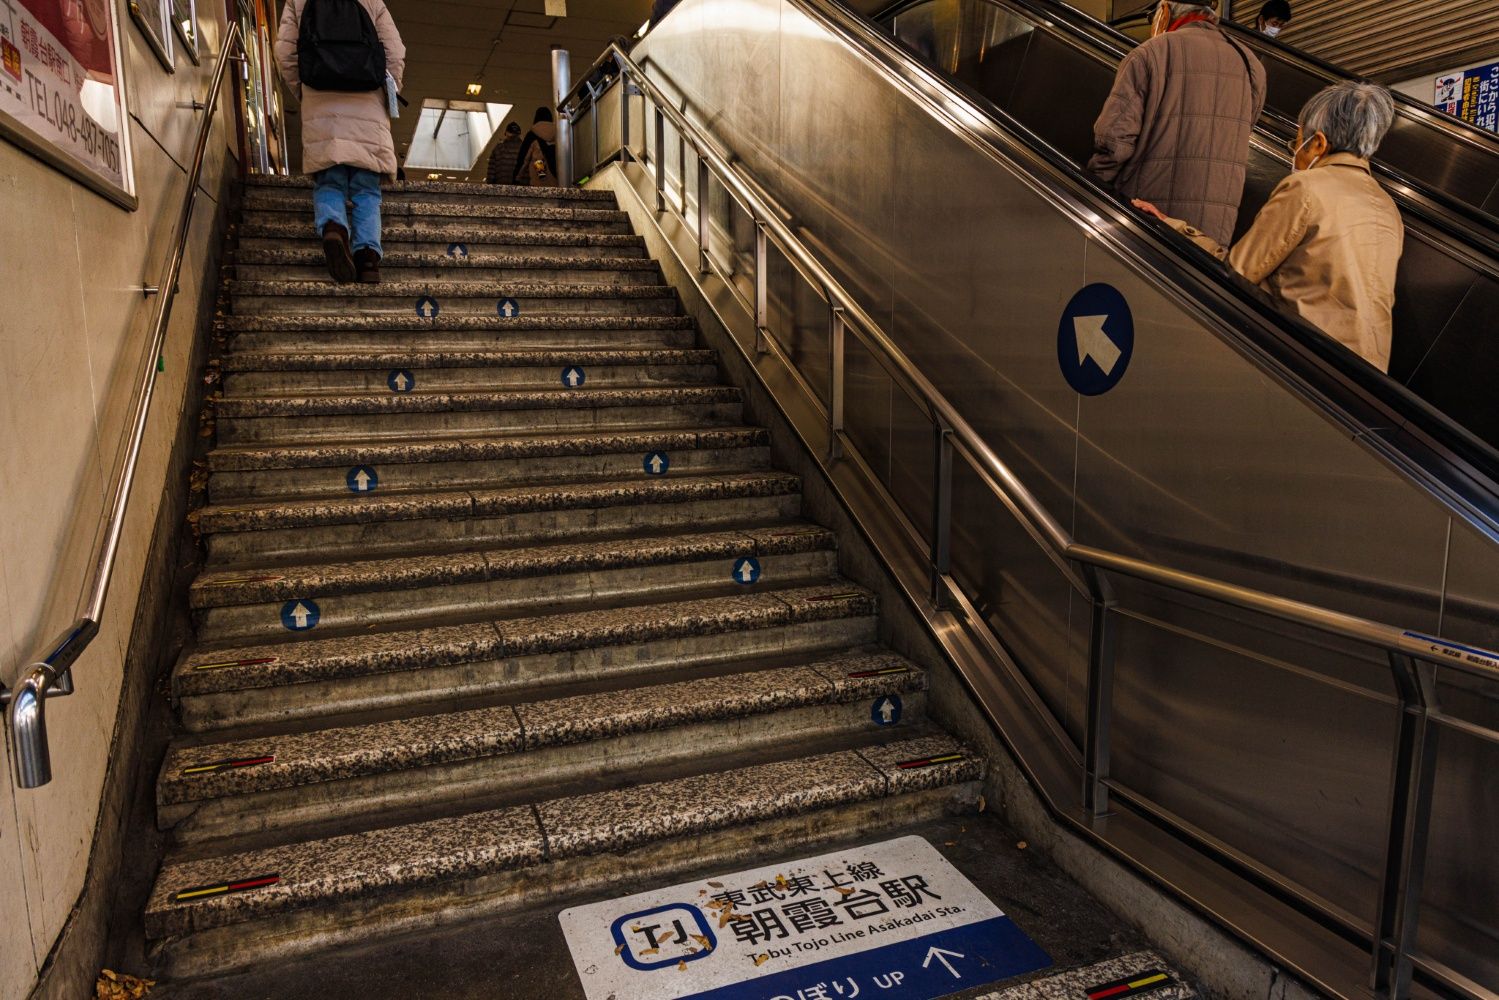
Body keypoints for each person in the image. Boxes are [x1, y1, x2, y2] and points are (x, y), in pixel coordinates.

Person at [1134, 82, 1403, 372]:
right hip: (1367, 374)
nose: (1294, 153)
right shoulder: (1387, 207)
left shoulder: (1306, 188)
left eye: (1296, 142)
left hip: (1301, 359)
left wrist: (1171, 225)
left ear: (1319, 144)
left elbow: (1239, 272)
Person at [1089, 0, 1266, 247]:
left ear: (1164, 12)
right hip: (1211, 236)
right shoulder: (1251, 66)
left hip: (1146, 220)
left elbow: (1115, 140)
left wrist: (1092, 190)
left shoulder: (1149, 54)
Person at [275, 0, 406, 284]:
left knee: (330, 181)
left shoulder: (297, 2)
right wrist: (387, 88)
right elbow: (394, 52)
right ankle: (368, 258)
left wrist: (306, 89)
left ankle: (334, 227)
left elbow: (284, 52)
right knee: (367, 191)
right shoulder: (372, 2)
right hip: (368, 103)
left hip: (320, 102)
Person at [514, 107, 559, 186]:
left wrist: (516, 179)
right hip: (557, 180)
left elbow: (523, 159)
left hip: (538, 180)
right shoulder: (559, 133)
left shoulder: (532, 135)